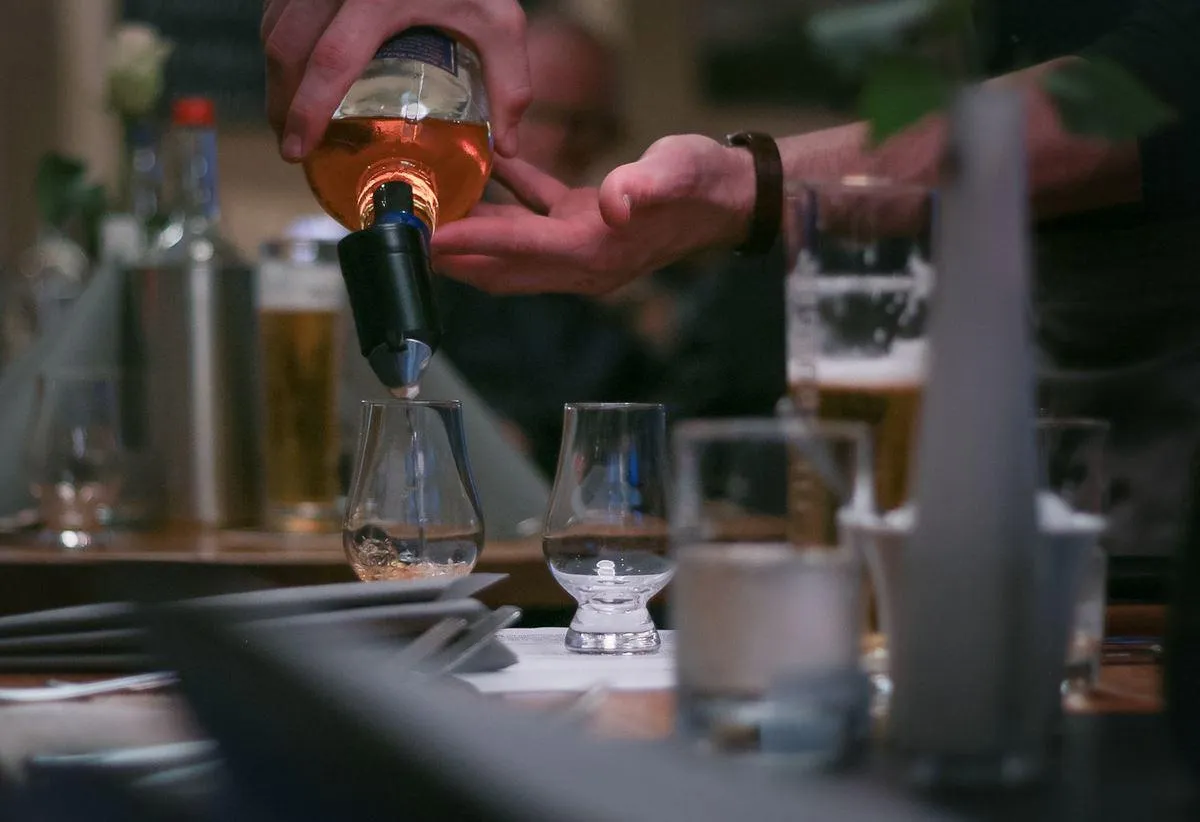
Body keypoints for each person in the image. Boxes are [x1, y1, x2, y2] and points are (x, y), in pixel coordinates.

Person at [262, 0, 1200, 556]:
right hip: (1054, 370)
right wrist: (738, 192)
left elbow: (1160, 89)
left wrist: (743, 189)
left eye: (588, 123)